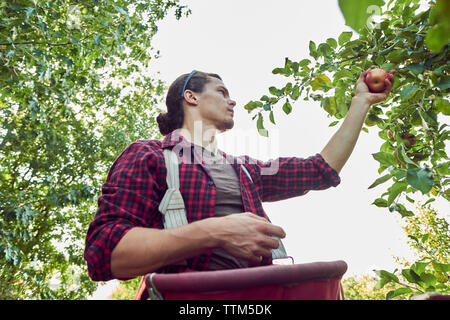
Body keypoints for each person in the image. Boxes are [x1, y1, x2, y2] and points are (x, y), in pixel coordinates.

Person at [84, 69, 395, 281]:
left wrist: (361, 103)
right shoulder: (148, 155)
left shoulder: (245, 169)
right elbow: (105, 254)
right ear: (191, 97)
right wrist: (214, 232)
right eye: (221, 92)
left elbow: (320, 170)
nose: (232, 101)